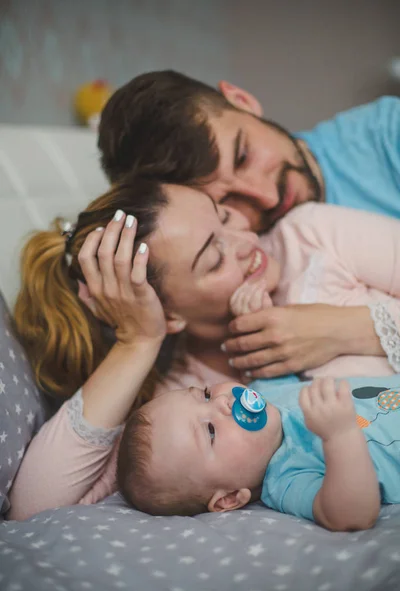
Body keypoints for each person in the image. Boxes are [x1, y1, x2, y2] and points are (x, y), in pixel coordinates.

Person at [7, 175, 400, 520]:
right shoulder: (179, 402)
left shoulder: (309, 236)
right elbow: (34, 511)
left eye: (224, 215)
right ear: (169, 313)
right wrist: (138, 342)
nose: (248, 240)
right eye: (214, 259)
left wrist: (350, 329)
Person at [97, 69, 400, 378]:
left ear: (242, 101)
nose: (266, 197)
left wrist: (346, 330)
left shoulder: (390, 136)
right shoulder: (246, 265)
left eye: (242, 156)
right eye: (225, 204)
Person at [117, 374, 400, 532]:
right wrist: (341, 435)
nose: (222, 403)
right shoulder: (287, 478)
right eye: (211, 431)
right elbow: (352, 516)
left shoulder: (265, 392)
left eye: (204, 394)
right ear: (229, 498)